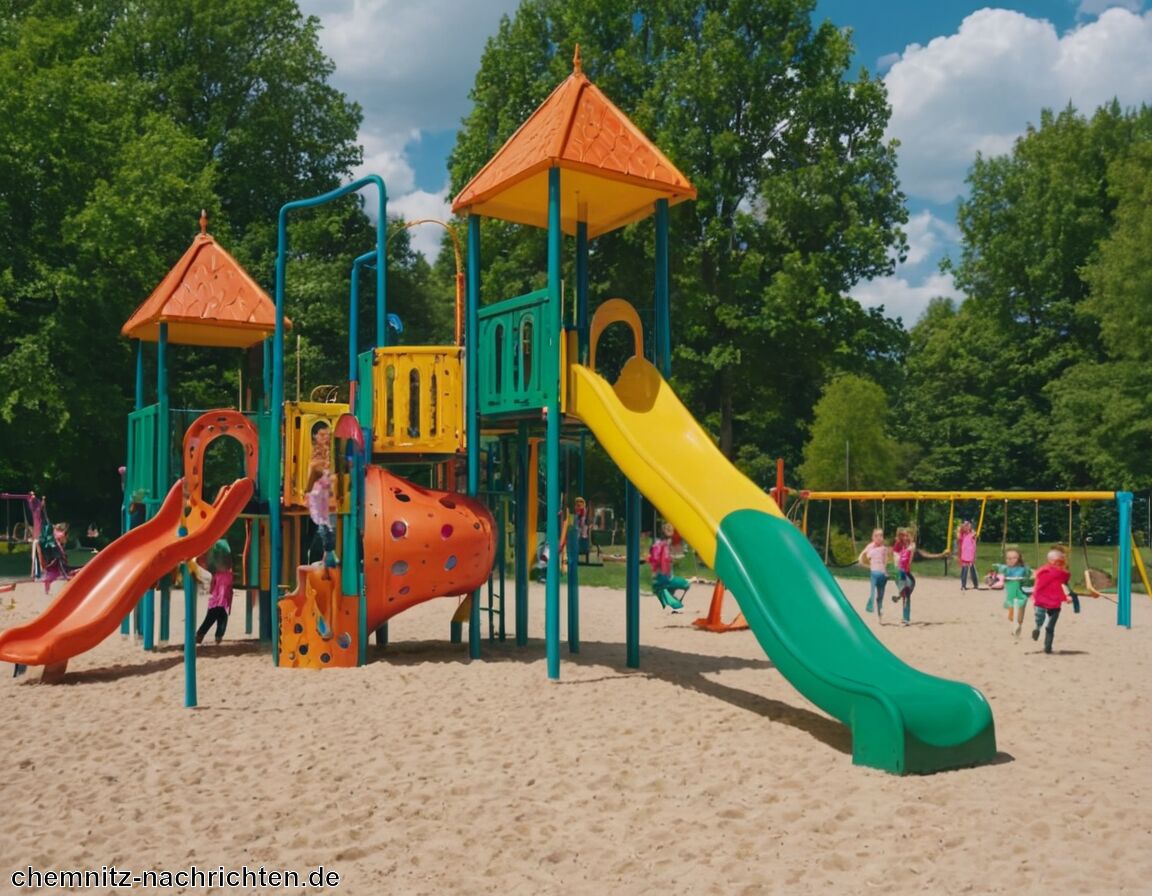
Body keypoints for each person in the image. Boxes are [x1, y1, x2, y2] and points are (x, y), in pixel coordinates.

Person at [306, 422, 337, 571]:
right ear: (315, 436)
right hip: (319, 499)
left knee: (325, 530)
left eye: (327, 435)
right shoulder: (315, 454)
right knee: (322, 531)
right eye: (322, 435)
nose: (326, 438)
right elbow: (315, 471)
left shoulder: (330, 452)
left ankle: (325, 560)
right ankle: (321, 561)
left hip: (325, 500)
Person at [1031, 549, 1072, 654]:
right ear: (1052, 560)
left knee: (1045, 623)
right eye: (1060, 561)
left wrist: (1066, 596)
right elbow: (1064, 580)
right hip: (1047, 602)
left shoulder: (1044, 570)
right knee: (1048, 625)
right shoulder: (1055, 572)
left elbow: (1062, 585)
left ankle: (1045, 643)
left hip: (1048, 601)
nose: (1061, 563)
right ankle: (1043, 639)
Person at [193, 540, 234, 646]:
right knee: (217, 618)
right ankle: (206, 635)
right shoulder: (225, 575)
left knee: (218, 618)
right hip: (220, 601)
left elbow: (214, 587)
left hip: (218, 601)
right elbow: (227, 588)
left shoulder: (219, 574)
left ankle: (209, 636)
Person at [649, 522, 689, 613]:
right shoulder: (660, 544)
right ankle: (676, 605)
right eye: (667, 529)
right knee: (681, 585)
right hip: (662, 575)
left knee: (673, 588)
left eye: (670, 529)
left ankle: (674, 603)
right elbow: (656, 558)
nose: (669, 531)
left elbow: (671, 555)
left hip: (665, 574)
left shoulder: (666, 544)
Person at [992, 548, 1032, 638]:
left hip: (1023, 592)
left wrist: (1026, 579)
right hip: (1011, 593)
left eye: (1014, 558)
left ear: (1019, 559)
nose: (1011, 560)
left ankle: (1019, 626)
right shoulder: (1005, 569)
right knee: (1012, 615)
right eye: (1008, 558)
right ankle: (1015, 621)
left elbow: (1030, 578)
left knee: (1020, 613)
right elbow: (998, 575)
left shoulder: (1024, 569)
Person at [858, 528, 891, 623]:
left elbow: (886, 561)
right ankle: (871, 604)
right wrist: (860, 559)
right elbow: (862, 554)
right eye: (877, 536)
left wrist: (886, 572)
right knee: (873, 591)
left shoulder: (884, 549)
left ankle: (880, 613)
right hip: (874, 573)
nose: (880, 538)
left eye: (881, 535)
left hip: (882, 575)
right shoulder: (870, 546)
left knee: (880, 596)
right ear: (873, 537)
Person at [891, 527, 916, 626]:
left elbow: (910, 556)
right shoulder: (897, 545)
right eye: (903, 535)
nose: (905, 537)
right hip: (898, 572)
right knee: (906, 594)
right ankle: (906, 618)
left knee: (907, 593)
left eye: (907, 535)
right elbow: (896, 560)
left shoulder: (911, 546)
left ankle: (899, 597)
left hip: (906, 573)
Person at [41, 521, 71, 594]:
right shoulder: (60, 533)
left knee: (54, 570)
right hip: (54, 549)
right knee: (59, 563)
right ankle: (66, 576)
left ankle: (47, 580)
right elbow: (60, 543)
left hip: (51, 549)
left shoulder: (55, 532)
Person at [955, 520, 979, 591]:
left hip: (970, 554)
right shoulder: (962, 535)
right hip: (964, 555)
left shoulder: (972, 534)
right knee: (964, 570)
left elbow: (974, 543)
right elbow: (958, 537)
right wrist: (961, 529)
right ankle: (963, 585)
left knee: (972, 570)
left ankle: (975, 584)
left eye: (968, 526)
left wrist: (974, 535)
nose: (967, 527)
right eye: (966, 526)